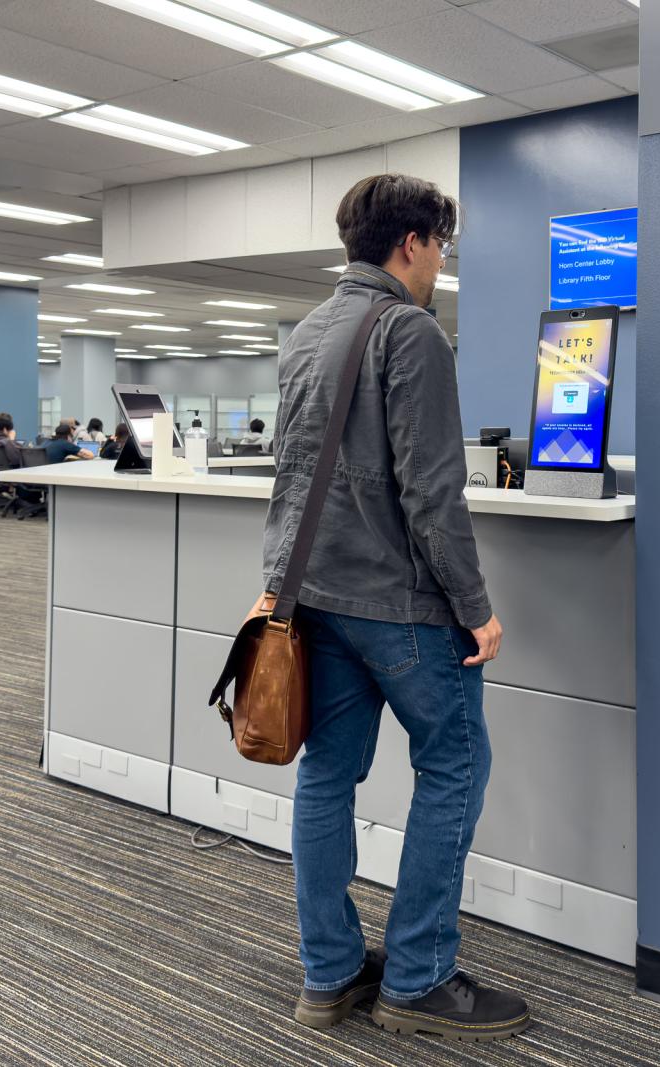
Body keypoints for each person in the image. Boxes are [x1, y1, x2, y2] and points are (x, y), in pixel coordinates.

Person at [260, 174, 521, 1041]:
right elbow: (434, 493)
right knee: (455, 766)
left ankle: (328, 973)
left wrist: (277, 584)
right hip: (401, 605)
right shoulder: (411, 333)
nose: (441, 264)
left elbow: (292, 477)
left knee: (328, 774)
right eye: (440, 245)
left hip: (318, 600)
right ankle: (417, 976)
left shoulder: (307, 332)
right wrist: (476, 608)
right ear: (410, 243)